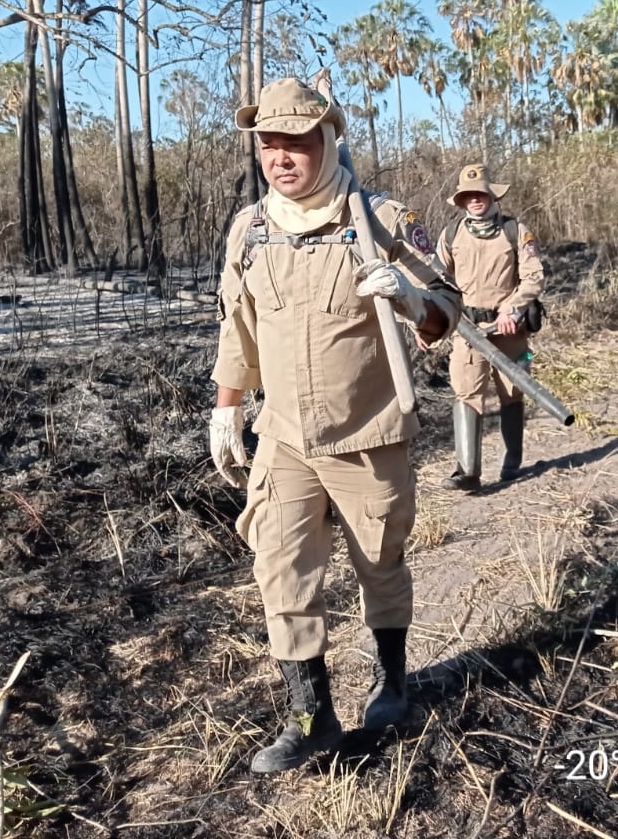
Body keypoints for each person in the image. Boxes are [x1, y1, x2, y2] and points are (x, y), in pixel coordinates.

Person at [208, 76, 462, 773]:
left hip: (369, 433)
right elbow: (239, 328)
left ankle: (392, 680)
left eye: (297, 141)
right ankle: (310, 715)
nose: (282, 156)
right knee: (279, 569)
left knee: (380, 562)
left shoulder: (379, 217)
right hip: (285, 437)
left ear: (328, 140)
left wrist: (412, 298)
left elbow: (449, 307)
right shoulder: (251, 230)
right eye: (270, 143)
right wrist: (227, 409)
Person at [434, 164, 546, 491]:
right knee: (466, 394)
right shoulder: (451, 234)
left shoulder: (515, 230)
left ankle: (513, 461)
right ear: (462, 200)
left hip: (509, 329)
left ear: (491, 195)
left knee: (511, 394)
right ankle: (468, 472)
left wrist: (513, 308)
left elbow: (533, 276)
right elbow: (436, 279)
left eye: (480, 194)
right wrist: (440, 319)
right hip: (468, 330)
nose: (475, 200)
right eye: (468, 195)